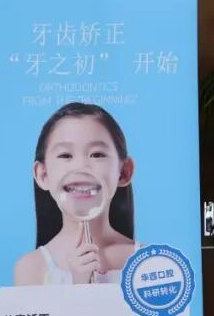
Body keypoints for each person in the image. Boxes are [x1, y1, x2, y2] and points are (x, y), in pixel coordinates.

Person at [13, 102, 138, 286]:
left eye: (97, 154)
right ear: (43, 174)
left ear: (124, 172)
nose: (81, 167)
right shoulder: (30, 268)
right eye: (65, 155)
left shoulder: (151, 262)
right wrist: (79, 284)